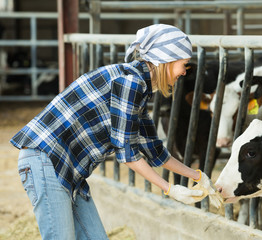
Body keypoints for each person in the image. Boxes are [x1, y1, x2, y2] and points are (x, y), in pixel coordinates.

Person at [10, 24, 216, 240]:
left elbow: (154, 151)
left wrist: (198, 176)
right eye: (184, 64)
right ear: (167, 59)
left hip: (67, 168)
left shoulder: (138, 86)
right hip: (46, 160)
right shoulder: (131, 82)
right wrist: (169, 189)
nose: (185, 71)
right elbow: (127, 154)